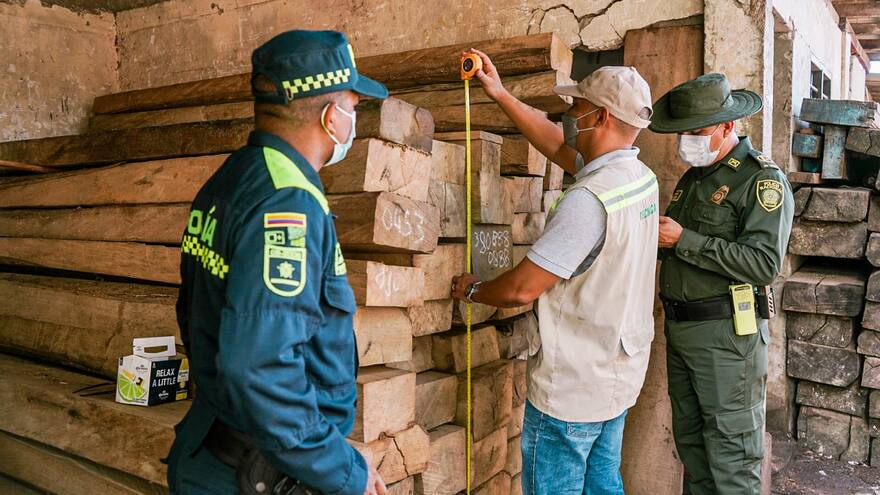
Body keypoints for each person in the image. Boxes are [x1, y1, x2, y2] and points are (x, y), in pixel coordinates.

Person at [166, 30, 388, 495]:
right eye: (354, 106)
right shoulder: (288, 201)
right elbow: (260, 368)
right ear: (332, 117)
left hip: (225, 446)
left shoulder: (232, 178)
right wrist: (342, 470)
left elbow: (195, 315)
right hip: (255, 470)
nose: (354, 119)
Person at [451, 49, 659, 495]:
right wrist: (500, 93)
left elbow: (522, 289)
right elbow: (559, 146)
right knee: (604, 485)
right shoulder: (639, 178)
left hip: (572, 393)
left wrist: (474, 290)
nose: (570, 117)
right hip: (617, 375)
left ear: (601, 117)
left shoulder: (588, 201)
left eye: (577, 109)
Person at [650, 73, 794, 494]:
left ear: (728, 126)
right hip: (681, 330)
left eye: (696, 132)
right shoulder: (694, 178)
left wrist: (684, 240)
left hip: (727, 338)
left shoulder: (761, 180)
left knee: (732, 459)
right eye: (683, 134)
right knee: (693, 452)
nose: (686, 142)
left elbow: (764, 263)